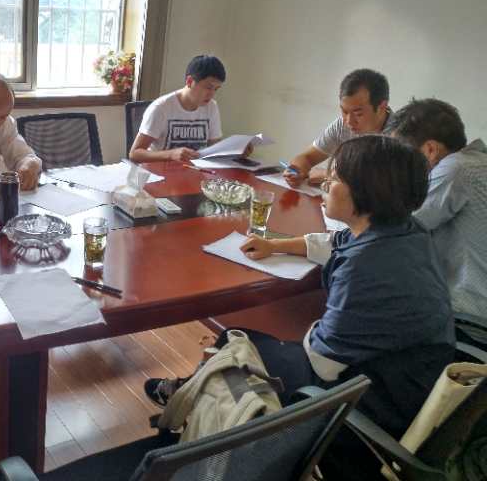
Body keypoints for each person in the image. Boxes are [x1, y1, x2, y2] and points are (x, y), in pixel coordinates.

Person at [146, 136, 454, 478]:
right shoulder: (405, 231)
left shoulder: (365, 268)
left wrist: (309, 331)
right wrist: (276, 245)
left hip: (370, 404)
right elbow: (336, 241)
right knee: (245, 342)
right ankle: (189, 393)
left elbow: (323, 362)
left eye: (335, 178)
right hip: (410, 378)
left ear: (367, 193)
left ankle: (195, 417)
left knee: (235, 341)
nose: (324, 183)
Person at [386, 98, 487, 320]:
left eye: (402, 156)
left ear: (430, 149)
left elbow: (397, 229)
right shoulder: (476, 162)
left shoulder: (456, 169)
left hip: (467, 317)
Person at [283, 68, 391, 187]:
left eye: (358, 114)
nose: (349, 121)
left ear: (382, 107)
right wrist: (296, 170)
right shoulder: (342, 125)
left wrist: (329, 175)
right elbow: (307, 157)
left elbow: (380, 185)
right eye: (344, 111)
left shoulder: (398, 136)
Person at [128, 55, 226, 163]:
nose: (212, 94)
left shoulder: (211, 107)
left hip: (196, 170)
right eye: (208, 87)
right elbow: (135, 154)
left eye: (216, 89)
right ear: (189, 81)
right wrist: (170, 155)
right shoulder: (161, 108)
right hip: (161, 170)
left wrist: (233, 153)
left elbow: (215, 148)